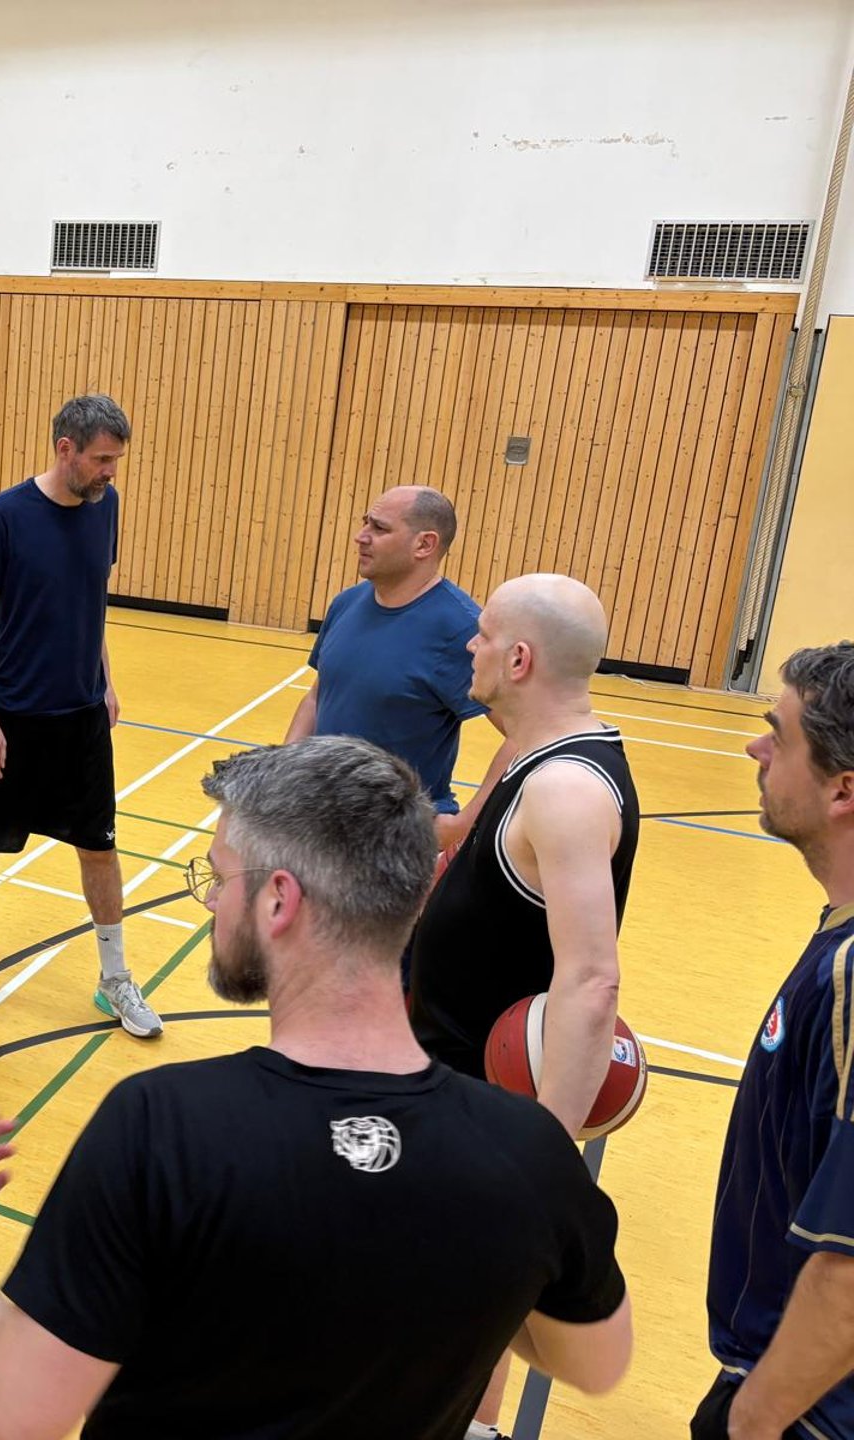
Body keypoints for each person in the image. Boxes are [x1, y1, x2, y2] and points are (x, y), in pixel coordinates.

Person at [0, 737, 632, 1438]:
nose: (210, 905)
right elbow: (599, 1365)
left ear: (278, 901)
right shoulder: (526, 1153)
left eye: (220, 877)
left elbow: (23, 1409)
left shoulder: (160, 1129)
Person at [407, 572, 638, 1438]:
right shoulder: (534, 761)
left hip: (487, 1109)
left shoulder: (566, 790)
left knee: (462, 1303)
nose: (469, 646)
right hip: (451, 1089)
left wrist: (544, 1157)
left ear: (519, 656)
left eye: (482, 634)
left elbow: (592, 981)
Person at [0, 393, 160, 1039]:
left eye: (116, 461)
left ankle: (115, 977)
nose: (110, 473)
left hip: (81, 718)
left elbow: (89, 600)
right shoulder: (5, 516)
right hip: (11, 716)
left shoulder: (106, 507)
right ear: (64, 448)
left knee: (99, 848)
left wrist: (106, 681)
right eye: (100, 460)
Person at [694, 642, 854, 1440]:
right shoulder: (838, 940)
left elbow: (851, 1266)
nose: (755, 749)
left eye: (777, 734)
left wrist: (754, 1421)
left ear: (843, 789)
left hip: (805, 1412)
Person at [285, 485, 506, 850]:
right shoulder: (346, 603)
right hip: (323, 827)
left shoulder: (462, 629)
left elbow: (524, 733)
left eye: (379, 528)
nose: (361, 536)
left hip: (396, 843)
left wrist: (466, 822)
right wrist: (286, 767)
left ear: (424, 545)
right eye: (364, 523)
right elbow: (318, 696)